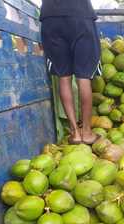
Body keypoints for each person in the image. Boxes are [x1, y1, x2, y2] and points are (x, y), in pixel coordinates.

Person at [40, 0, 101, 144]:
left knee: (64, 76)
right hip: (80, 14)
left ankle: (75, 133)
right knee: (84, 76)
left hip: (51, 17)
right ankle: (86, 132)